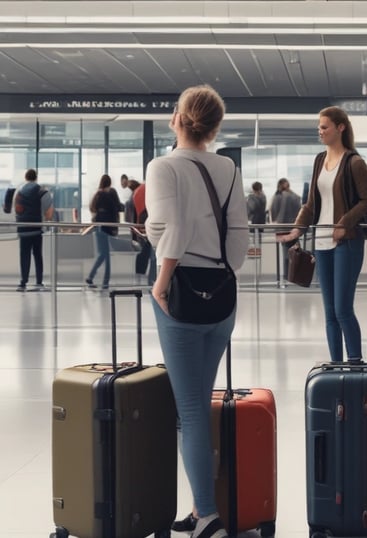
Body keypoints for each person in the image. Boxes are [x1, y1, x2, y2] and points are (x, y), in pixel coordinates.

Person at [146, 84, 248, 538]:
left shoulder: (163, 166)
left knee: (189, 410)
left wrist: (162, 281)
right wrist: (223, 268)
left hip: (183, 294)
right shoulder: (227, 166)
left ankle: (208, 516)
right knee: (198, 408)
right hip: (222, 294)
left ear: (178, 118)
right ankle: (197, 507)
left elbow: (175, 230)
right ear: (214, 126)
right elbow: (240, 236)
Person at [277, 106, 367, 363]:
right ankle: (336, 366)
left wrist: (344, 223)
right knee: (330, 312)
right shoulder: (320, 160)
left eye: (324, 127)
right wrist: (296, 230)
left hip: (346, 242)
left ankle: (354, 364)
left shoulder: (355, 162)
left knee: (343, 309)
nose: (319, 132)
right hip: (321, 242)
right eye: (319, 127)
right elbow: (310, 203)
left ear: (340, 128)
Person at [14, 168, 54, 292]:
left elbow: (16, 209)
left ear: (26, 178)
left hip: (23, 229)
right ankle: (39, 281)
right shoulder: (42, 192)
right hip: (36, 229)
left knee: (24, 255)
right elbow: (49, 214)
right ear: (36, 177)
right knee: (37, 255)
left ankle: (23, 282)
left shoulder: (19, 192)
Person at [85, 174, 122, 290]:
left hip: (98, 227)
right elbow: (116, 208)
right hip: (106, 228)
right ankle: (103, 282)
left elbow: (92, 208)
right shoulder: (108, 195)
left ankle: (93, 277)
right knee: (105, 255)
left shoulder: (97, 194)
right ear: (109, 183)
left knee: (103, 255)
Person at [270, 178, 302, 282]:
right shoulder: (295, 196)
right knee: (296, 251)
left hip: (282, 228)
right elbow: (300, 210)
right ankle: (295, 275)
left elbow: (273, 212)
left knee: (286, 253)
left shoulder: (278, 197)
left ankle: (286, 276)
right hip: (294, 227)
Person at [131, 180, 156, 286]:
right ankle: (153, 281)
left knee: (148, 252)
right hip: (152, 224)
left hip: (143, 225)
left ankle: (147, 277)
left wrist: (135, 233)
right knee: (154, 256)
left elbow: (136, 215)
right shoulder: (152, 188)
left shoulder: (137, 192)